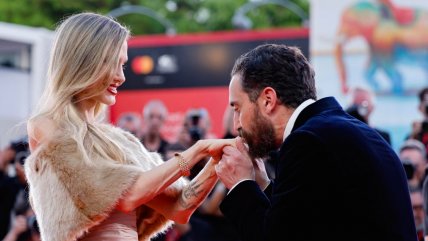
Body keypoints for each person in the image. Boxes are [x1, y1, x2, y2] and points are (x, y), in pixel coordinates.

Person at [24, 13, 233, 241]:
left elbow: (179, 207)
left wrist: (217, 159)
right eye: (113, 63)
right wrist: (197, 151)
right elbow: (123, 196)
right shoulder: (46, 126)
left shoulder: (122, 142)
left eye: (123, 65)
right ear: (84, 60)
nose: (121, 76)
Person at [214, 44, 417, 241]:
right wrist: (264, 185)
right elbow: (308, 224)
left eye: (238, 108)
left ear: (268, 100)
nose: (236, 124)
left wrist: (240, 184)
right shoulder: (339, 132)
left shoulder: (308, 142)